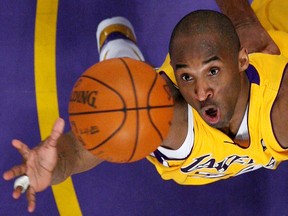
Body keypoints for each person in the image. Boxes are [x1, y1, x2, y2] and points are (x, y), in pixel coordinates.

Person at [2, 0, 286, 213]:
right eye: (187, 76)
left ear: (241, 62)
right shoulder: (161, 114)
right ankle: (123, 57)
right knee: (129, 100)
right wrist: (57, 165)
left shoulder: (278, 110)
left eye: (213, 72)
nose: (201, 92)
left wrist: (244, 22)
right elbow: (80, 148)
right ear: (174, 75)